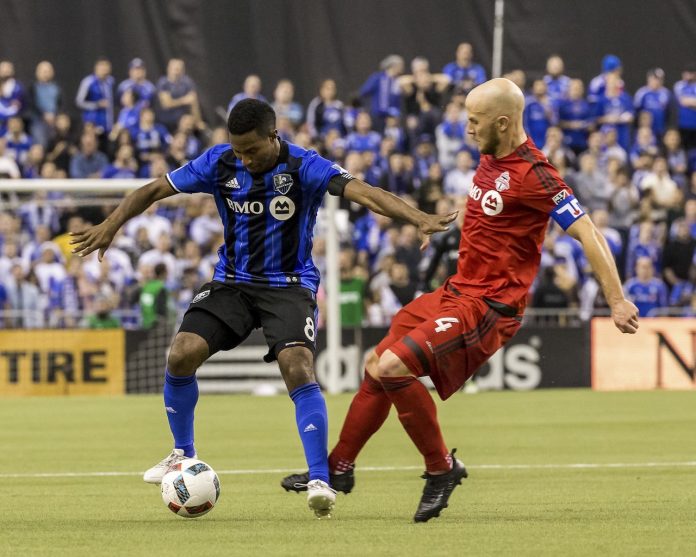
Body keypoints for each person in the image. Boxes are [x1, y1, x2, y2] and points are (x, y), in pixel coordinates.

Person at [70, 98, 455, 519]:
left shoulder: (305, 166)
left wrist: (417, 217)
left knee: (298, 367)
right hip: (232, 282)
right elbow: (153, 189)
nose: (244, 159)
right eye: (237, 151)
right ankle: (182, 454)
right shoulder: (219, 163)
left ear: (274, 136)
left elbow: (366, 193)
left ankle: (319, 477)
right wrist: (111, 224)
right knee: (181, 353)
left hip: (288, 286)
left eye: (251, 150)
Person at [280, 78, 639, 523]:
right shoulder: (490, 154)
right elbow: (490, 215)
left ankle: (441, 469)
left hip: (490, 306)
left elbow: (588, 231)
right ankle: (339, 469)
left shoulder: (538, 175)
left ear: (503, 123)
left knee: (395, 367)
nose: (467, 129)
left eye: (475, 121)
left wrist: (617, 298)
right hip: (456, 290)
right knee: (375, 363)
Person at [75, 57, 114, 136]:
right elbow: (79, 102)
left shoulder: (110, 81)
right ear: (96, 68)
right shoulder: (88, 82)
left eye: (106, 67)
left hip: (107, 124)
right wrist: (96, 105)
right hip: (93, 124)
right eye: (102, 67)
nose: (104, 70)